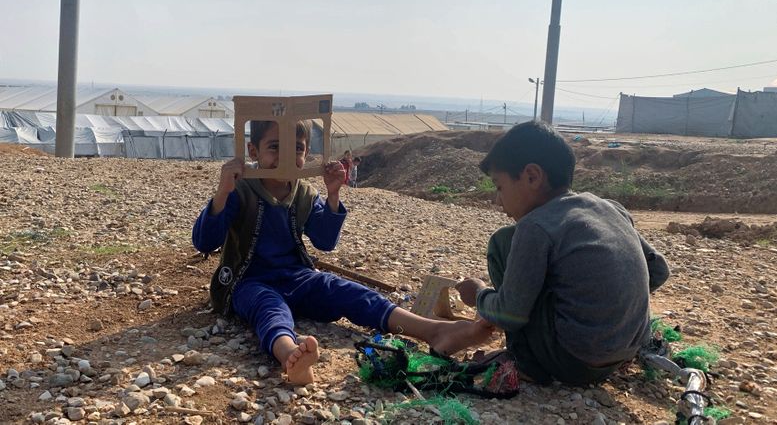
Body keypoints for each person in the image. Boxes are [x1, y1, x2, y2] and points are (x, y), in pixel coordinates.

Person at [193, 120, 492, 384]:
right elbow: (204, 242)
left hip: (298, 277)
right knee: (269, 310)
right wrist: (222, 193)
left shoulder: (303, 192)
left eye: (296, 148)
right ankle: (290, 356)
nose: (286, 156)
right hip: (250, 282)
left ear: (307, 154)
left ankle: (432, 330)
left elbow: (324, 241)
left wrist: (333, 194)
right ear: (253, 151)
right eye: (274, 147)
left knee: (349, 291)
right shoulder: (240, 189)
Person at [455, 121, 670, 385]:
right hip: (624, 354)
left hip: (573, 363)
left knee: (502, 242)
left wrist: (478, 294)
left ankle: (526, 362)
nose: (498, 201)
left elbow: (511, 312)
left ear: (532, 176)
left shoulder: (534, 226)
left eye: (499, 187)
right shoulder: (610, 208)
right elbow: (658, 271)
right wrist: (612, 306)